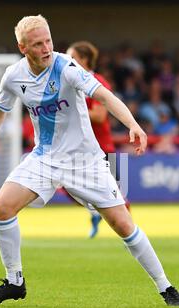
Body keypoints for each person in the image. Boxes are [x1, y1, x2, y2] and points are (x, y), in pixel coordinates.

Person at [0, 15, 179, 307]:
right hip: (44, 158)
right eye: (38, 44)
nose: (46, 48)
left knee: (123, 224)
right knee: (2, 207)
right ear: (23, 47)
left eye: (48, 40)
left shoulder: (67, 68)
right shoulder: (14, 76)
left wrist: (133, 124)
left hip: (85, 161)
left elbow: (105, 96)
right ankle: (15, 282)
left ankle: (166, 287)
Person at [67, 41, 130, 238]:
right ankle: (95, 211)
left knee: (117, 196)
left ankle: (132, 232)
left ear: (84, 60)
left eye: (72, 57)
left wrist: (70, 106)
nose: (67, 61)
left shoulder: (97, 82)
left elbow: (100, 115)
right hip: (76, 148)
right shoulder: (68, 82)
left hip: (102, 148)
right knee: (65, 187)